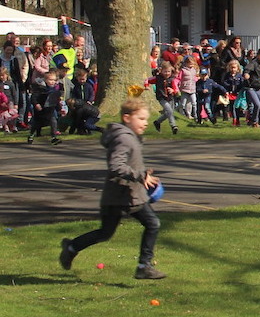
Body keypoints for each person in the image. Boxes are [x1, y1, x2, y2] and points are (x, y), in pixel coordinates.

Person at [59, 98, 166, 280]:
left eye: (146, 119)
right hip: (120, 194)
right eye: (141, 118)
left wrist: (143, 173)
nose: (146, 122)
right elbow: (116, 166)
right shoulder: (123, 138)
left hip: (129, 194)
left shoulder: (129, 136)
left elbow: (128, 164)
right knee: (149, 224)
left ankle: (72, 247)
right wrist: (140, 176)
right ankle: (143, 266)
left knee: (107, 232)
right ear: (126, 117)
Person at [28, 70, 63, 144]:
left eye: (54, 80)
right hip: (40, 110)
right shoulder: (40, 89)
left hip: (50, 110)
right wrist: (36, 104)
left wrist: (59, 109)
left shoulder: (54, 90)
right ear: (45, 80)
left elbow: (55, 101)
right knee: (36, 124)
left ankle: (53, 137)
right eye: (50, 80)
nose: (52, 82)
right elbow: (33, 98)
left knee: (53, 122)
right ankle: (31, 135)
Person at [150, 64, 179, 134]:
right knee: (169, 111)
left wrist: (173, 90)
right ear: (161, 71)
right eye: (165, 71)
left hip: (170, 97)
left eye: (168, 71)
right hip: (161, 97)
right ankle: (173, 126)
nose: (167, 73)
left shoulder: (172, 79)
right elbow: (147, 80)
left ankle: (157, 122)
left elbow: (176, 89)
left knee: (169, 113)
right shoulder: (157, 78)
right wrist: (146, 85)